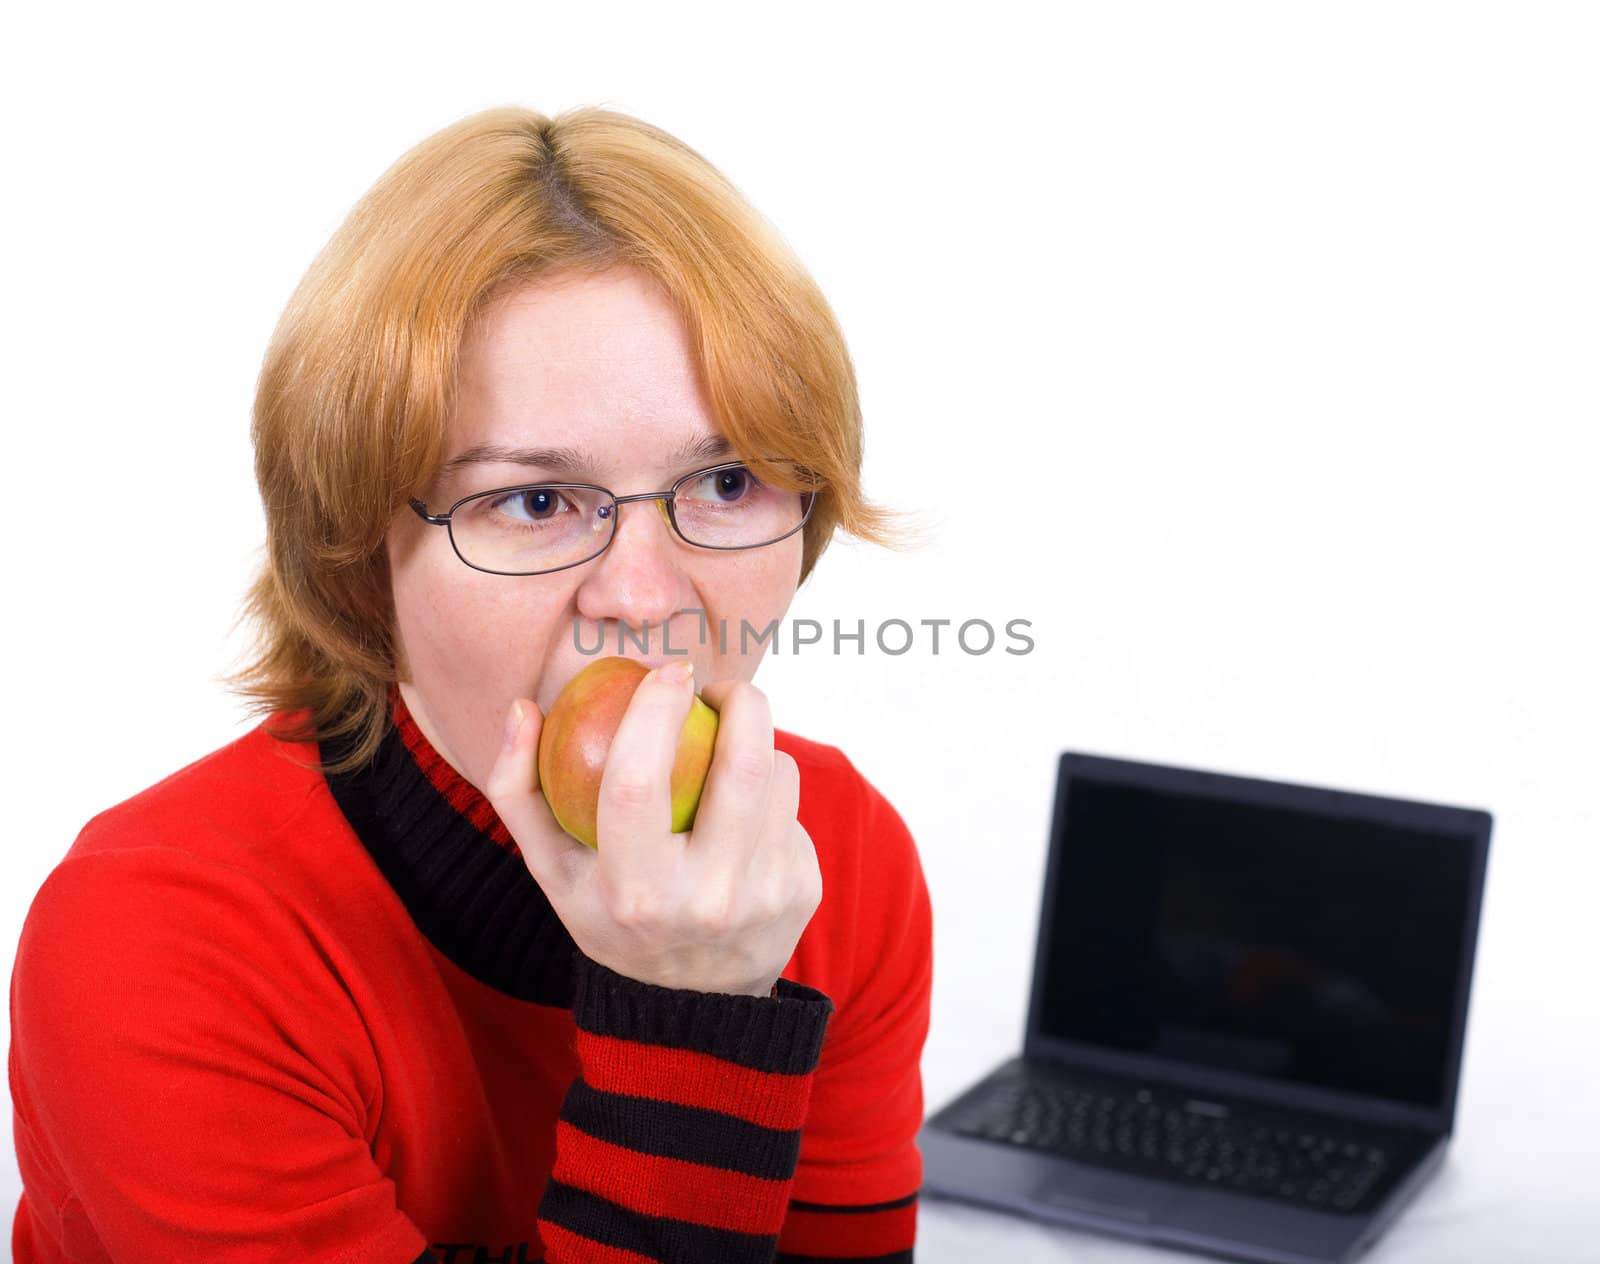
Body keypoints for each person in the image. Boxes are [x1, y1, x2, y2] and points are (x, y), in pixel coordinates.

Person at [7, 107, 932, 1263]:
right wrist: (695, 1014)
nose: (646, 598)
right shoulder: (154, 939)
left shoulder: (836, 859)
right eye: (535, 501)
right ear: (357, 558)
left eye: (729, 478)